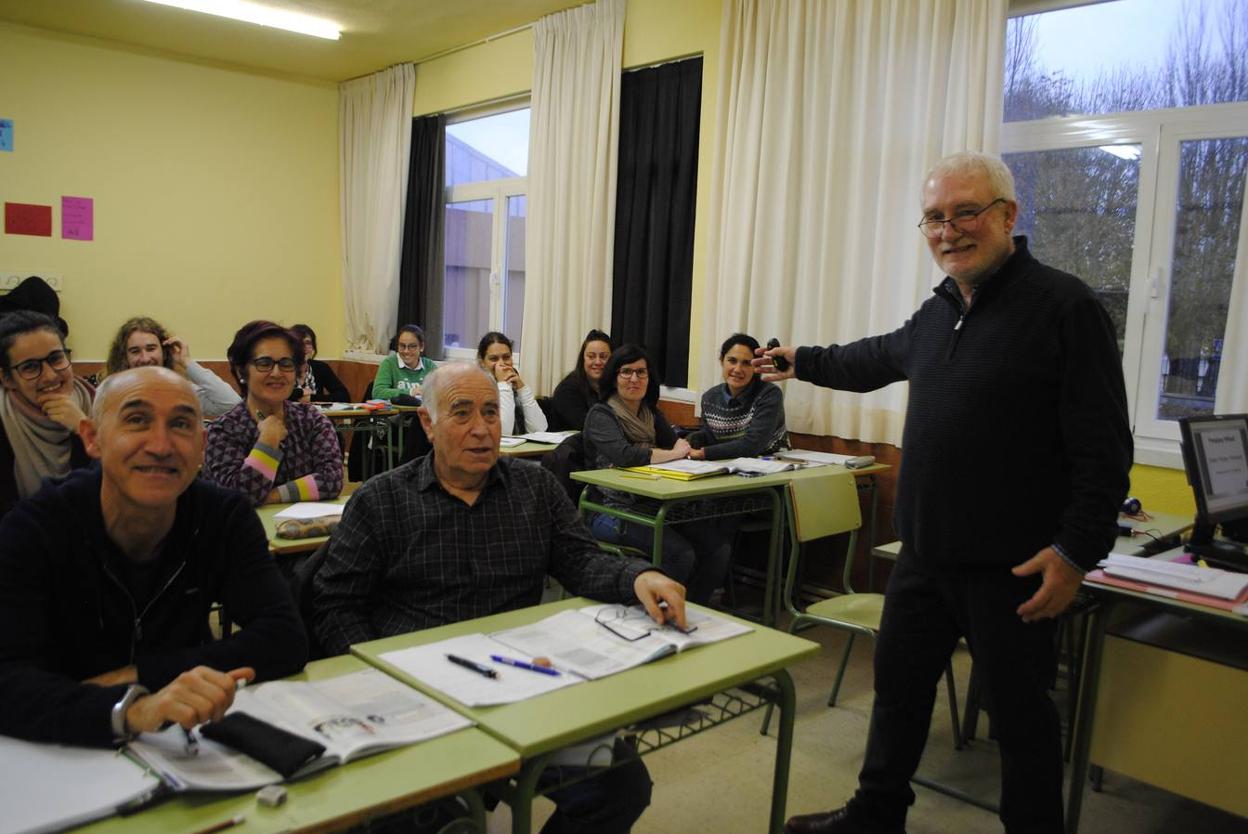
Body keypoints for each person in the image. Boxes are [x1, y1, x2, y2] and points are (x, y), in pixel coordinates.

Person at [764, 152, 1132, 834]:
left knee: (1021, 725)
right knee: (898, 697)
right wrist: (803, 360)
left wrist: (1076, 552)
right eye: (934, 217)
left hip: (1015, 571)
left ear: (1007, 216)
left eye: (966, 212)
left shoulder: (1065, 307)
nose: (948, 230)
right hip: (924, 559)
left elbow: (1105, 453)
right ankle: (876, 816)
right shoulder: (938, 313)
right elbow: (873, 357)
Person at [313, 361, 686, 834]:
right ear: (428, 423)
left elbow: (579, 560)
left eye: (491, 412)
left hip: (522, 688)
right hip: (418, 694)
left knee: (620, 785)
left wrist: (637, 576)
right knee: (429, 819)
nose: (481, 429)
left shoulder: (535, 488)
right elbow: (335, 604)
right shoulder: (382, 500)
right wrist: (377, 681)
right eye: (462, 413)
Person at [0, 366, 307, 746]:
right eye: (136, 420)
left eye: (180, 425)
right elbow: (8, 680)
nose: (161, 445)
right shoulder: (36, 527)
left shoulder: (223, 516)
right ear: (92, 439)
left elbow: (284, 639)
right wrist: (130, 709)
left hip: (182, 744)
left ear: (200, 447)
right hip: (57, 750)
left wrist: (135, 676)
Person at [583, 344, 734, 605]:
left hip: (653, 503)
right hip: (610, 510)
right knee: (680, 553)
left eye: (641, 373)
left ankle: (691, 608)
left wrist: (672, 450)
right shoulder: (601, 414)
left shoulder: (651, 413)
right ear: (613, 377)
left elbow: (677, 445)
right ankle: (653, 614)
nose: (634, 379)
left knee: (718, 548)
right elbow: (626, 456)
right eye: (626, 372)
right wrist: (670, 452)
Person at [204, 320, 342, 506]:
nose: (277, 373)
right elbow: (235, 497)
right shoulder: (223, 430)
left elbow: (332, 480)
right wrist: (267, 442)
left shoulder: (312, 420)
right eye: (264, 363)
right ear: (241, 371)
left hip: (306, 532)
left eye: (286, 363)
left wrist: (271, 496)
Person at [0, 311, 93, 519]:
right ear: (7, 379)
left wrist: (83, 428)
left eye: (56, 358)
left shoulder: (98, 402)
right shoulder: (3, 422)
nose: (50, 376)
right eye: (30, 367)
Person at [104, 315, 242, 419]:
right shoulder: (112, 394)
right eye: (135, 351)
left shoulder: (181, 391)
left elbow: (232, 405)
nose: (145, 358)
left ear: (164, 352)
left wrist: (186, 362)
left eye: (151, 349)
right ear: (125, 357)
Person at [687, 333, 787, 460]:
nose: (738, 369)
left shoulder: (769, 394)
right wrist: (688, 443)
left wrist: (703, 453)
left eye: (746, 363)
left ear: (756, 366)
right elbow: (709, 437)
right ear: (721, 361)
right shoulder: (709, 397)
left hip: (771, 464)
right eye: (732, 361)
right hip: (726, 465)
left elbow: (752, 445)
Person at [478, 331, 548, 435]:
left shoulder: (513, 383)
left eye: (506, 357)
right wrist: (503, 385)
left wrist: (522, 389)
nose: (501, 363)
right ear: (482, 363)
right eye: (494, 359)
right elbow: (502, 433)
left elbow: (540, 429)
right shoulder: (477, 389)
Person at [550, 329, 613, 430]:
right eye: (591, 356)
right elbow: (589, 427)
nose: (598, 362)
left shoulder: (615, 386)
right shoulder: (567, 390)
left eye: (603, 357)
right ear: (583, 359)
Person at [373, 324, 436, 404]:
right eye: (402, 346)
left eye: (412, 346)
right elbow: (378, 392)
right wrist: (410, 392)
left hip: (423, 414)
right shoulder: (389, 364)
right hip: (396, 415)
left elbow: (441, 391)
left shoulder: (429, 366)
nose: (406, 351)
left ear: (421, 347)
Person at [289, 323, 350, 404]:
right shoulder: (282, 368)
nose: (303, 348)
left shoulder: (320, 367)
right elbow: (276, 396)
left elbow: (344, 396)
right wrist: (300, 393)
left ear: (313, 347)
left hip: (316, 415)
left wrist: (312, 398)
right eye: (298, 343)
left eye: (308, 343)